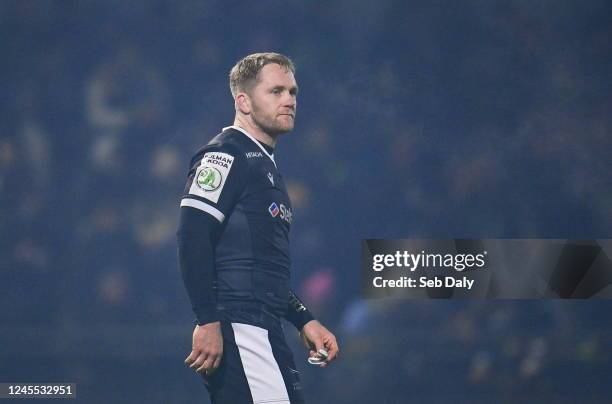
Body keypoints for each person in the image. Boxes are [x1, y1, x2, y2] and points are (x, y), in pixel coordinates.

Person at [176, 52, 339, 404]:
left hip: (263, 327)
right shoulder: (225, 155)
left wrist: (304, 320)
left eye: (293, 92)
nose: (289, 100)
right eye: (276, 91)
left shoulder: (265, 165)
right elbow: (192, 235)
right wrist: (207, 321)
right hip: (241, 329)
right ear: (244, 102)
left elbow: (263, 268)